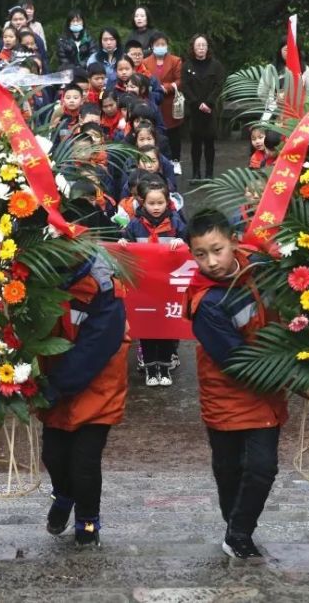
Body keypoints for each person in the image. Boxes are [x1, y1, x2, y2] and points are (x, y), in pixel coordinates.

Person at [184, 209, 287, 559]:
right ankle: (236, 528)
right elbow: (237, 362)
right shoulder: (207, 303)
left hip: (266, 395)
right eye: (201, 254)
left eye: (217, 250)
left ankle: (239, 533)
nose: (211, 261)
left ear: (234, 242)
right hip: (227, 396)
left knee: (262, 467)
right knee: (229, 471)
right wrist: (293, 372)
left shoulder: (260, 269)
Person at [38, 198, 130, 549]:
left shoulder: (105, 282)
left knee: (85, 461)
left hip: (96, 385)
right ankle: (63, 496)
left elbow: (98, 346)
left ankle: (88, 521)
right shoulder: (40, 273)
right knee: (54, 456)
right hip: (55, 382)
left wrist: (57, 386)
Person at [118, 177, 186, 386]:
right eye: (151, 203)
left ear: (168, 202)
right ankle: (150, 369)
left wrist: (181, 241)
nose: (156, 207)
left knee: (166, 326)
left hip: (168, 286)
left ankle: (165, 367)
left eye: (160, 203)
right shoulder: (134, 226)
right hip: (143, 287)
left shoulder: (176, 223)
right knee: (146, 328)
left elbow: (191, 244)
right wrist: (122, 243)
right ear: (142, 203)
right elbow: (126, 249)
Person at [181, 35, 225, 180]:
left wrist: (209, 102)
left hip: (210, 109)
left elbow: (219, 85)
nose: (201, 48)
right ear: (193, 47)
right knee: (195, 143)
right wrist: (197, 103)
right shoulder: (187, 65)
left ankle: (209, 173)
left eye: (203, 45)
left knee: (209, 143)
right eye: (198, 45)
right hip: (194, 110)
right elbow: (185, 86)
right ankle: (196, 172)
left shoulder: (216, 65)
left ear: (207, 47)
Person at [142, 31, 184, 163]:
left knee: (173, 134)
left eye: (163, 44)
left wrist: (166, 87)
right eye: (157, 44)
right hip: (154, 102)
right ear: (152, 46)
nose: (160, 46)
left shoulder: (175, 60)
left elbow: (180, 80)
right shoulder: (146, 61)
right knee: (155, 132)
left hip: (170, 102)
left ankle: (176, 161)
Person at [257, 35, 309, 117]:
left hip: (298, 114)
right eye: (286, 50)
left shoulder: (304, 69)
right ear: (280, 51)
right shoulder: (271, 68)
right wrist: (271, 104)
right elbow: (262, 91)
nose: (290, 53)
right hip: (274, 115)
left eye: (293, 50)